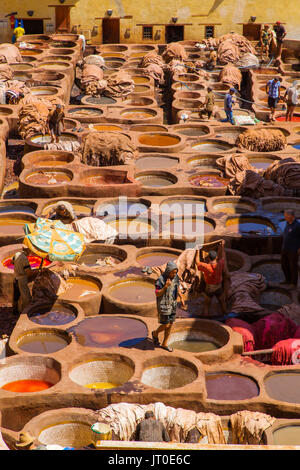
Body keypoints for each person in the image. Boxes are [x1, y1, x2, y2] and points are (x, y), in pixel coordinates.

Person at [152, 261, 186, 352]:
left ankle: (164, 344)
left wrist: (181, 298)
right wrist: (165, 287)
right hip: (164, 305)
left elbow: (177, 287)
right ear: (168, 271)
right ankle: (155, 333)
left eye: (175, 272)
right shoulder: (161, 280)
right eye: (173, 272)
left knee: (170, 324)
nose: (174, 274)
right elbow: (157, 293)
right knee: (166, 324)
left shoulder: (175, 278)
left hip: (173, 304)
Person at [195, 240, 227, 316]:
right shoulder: (220, 264)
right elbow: (223, 256)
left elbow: (197, 262)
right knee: (223, 303)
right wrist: (222, 246)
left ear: (208, 258)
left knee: (206, 306)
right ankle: (226, 317)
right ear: (216, 257)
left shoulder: (206, 266)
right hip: (218, 287)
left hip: (209, 288)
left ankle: (207, 321)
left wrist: (197, 250)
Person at [12, 246, 40, 315]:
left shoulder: (16, 254)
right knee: (26, 297)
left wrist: (18, 267)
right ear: (28, 250)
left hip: (15, 277)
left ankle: (15, 311)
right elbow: (28, 272)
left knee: (16, 296)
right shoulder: (25, 259)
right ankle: (26, 313)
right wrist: (37, 271)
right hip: (22, 280)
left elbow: (12, 262)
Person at [281, 209, 300, 288]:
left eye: (286, 216)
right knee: (284, 265)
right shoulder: (287, 223)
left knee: (293, 267)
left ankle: (293, 283)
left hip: (293, 250)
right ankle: (287, 280)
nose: (284, 217)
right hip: (285, 248)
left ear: (291, 216)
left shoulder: (297, 226)